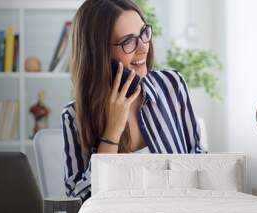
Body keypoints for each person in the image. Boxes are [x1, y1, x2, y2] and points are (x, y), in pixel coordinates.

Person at [62, 0, 205, 201]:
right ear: (98, 54)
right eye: (128, 41)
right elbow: (80, 200)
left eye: (144, 33)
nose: (143, 47)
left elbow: (199, 160)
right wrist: (112, 131)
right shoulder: (74, 116)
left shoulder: (172, 85)